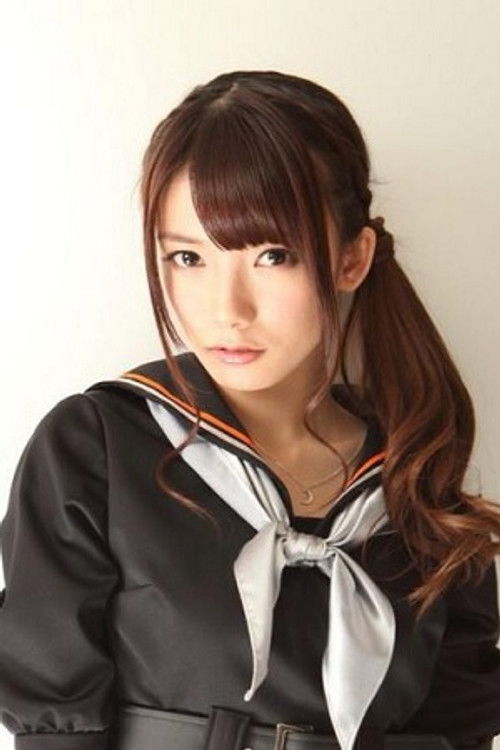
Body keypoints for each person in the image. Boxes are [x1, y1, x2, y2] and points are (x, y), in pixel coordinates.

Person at [0, 70, 499, 750]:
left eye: (272, 255)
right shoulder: (99, 449)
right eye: (187, 257)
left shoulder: (417, 477)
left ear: (352, 258)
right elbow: (54, 722)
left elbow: (459, 726)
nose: (226, 309)